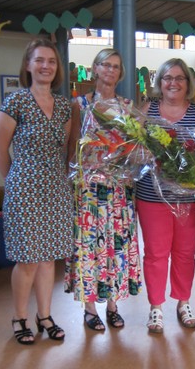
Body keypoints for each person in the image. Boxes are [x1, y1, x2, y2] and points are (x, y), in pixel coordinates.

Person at [0, 38, 73, 345]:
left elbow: (64, 149)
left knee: (48, 258)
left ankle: (45, 315)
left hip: (55, 188)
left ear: (57, 68)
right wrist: (14, 182)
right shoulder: (15, 101)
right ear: (28, 65)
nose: (45, 66)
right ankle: (20, 316)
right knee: (27, 258)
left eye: (51, 61)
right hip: (24, 188)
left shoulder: (64, 105)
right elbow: (1, 149)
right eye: (39, 60)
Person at [135, 58, 195, 333]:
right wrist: (146, 153)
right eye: (167, 77)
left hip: (189, 197)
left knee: (185, 253)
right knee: (156, 254)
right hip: (152, 196)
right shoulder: (147, 109)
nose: (173, 83)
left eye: (179, 78)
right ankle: (156, 307)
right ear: (160, 83)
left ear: (188, 83)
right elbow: (133, 150)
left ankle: (183, 302)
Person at [64, 48, 142, 331]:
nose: (110, 70)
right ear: (95, 69)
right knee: (90, 247)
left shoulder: (127, 106)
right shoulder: (79, 105)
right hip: (88, 190)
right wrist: (72, 176)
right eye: (105, 65)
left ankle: (113, 304)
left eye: (116, 67)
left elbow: (134, 148)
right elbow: (72, 147)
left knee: (115, 248)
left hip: (119, 188)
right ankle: (89, 307)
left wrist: (130, 160)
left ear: (120, 74)